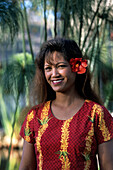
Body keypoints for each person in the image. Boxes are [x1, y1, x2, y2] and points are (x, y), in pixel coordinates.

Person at [19, 38, 113, 170]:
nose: (54, 74)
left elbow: (108, 166)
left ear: (77, 67)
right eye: (48, 68)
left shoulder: (97, 114)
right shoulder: (34, 117)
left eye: (61, 66)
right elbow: (27, 167)